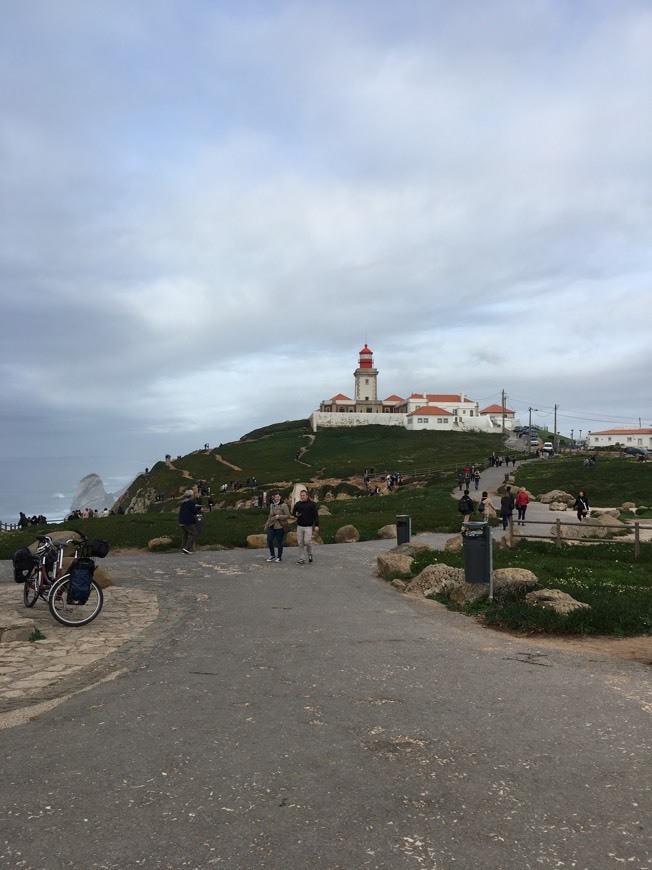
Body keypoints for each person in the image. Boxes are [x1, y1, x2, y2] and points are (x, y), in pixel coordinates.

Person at [292, 489, 319, 564]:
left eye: (303, 495)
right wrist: (296, 515)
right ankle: (302, 558)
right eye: (301, 495)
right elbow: (294, 513)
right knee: (300, 542)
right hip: (299, 526)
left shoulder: (312, 504)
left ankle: (310, 554)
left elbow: (315, 515)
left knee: (307, 542)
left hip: (308, 526)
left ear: (307, 496)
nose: (302, 497)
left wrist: (316, 525)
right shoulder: (297, 504)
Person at [265, 493, 291, 562]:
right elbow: (270, 516)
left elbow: (288, 515)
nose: (276, 498)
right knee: (269, 539)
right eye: (275, 497)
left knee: (279, 541)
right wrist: (266, 525)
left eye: (278, 497)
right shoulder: (271, 505)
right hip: (272, 525)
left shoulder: (284, 505)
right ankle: (272, 555)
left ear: (280, 497)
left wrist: (279, 516)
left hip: (280, 526)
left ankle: (279, 557)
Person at [178, 489, 201, 553]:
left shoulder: (183, 502)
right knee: (194, 533)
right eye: (193, 495)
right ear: (190, 496)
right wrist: (199, 511)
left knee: (185, 535)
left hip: (181, 521)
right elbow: (194, 511)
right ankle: (187, 548)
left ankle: (183, 548)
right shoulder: (190, 503)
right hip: (187, 521)